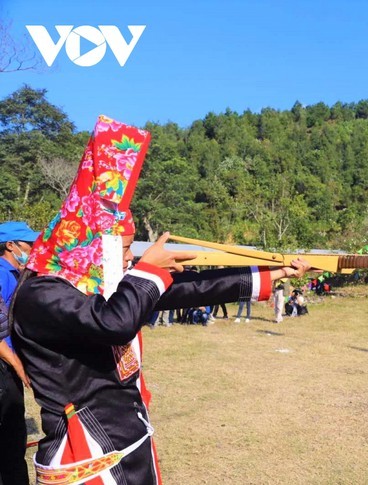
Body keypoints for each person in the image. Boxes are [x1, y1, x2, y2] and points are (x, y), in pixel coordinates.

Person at [11, 116, 311, 485]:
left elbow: (187, 290)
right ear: (90, 247)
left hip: (128, 438)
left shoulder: (89, 285)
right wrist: (148, 271)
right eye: (121, 250)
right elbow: (114, 322)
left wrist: (277, 273)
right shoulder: (42, 294)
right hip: (85, 453)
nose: (126, 260)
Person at [0, 221, 38, 485]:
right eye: (29, 245)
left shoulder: (17, 274)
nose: (33, 249)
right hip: (4, 369)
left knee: (14, 442)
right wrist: (17, 364)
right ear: (11, 246)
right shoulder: (1, 274)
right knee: (9, 441)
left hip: (10, 368)